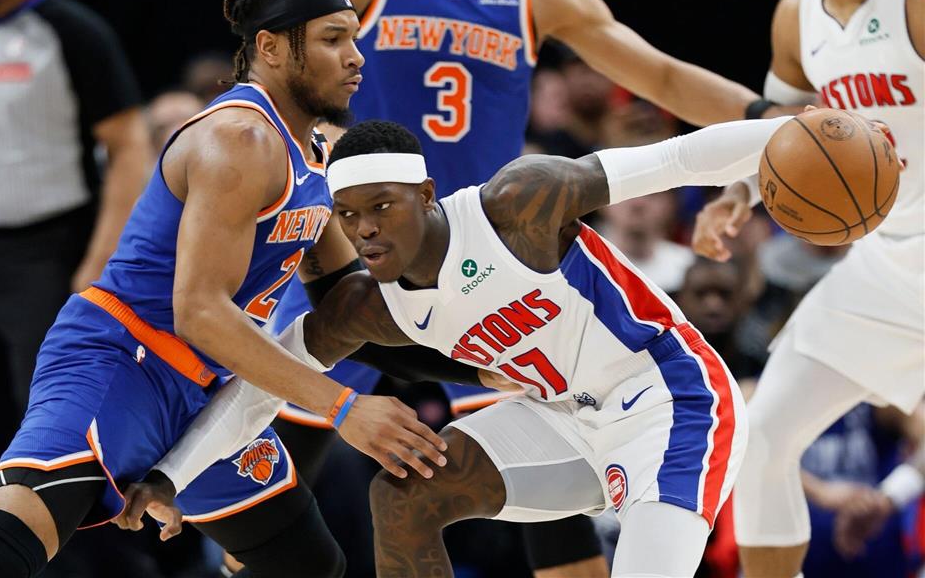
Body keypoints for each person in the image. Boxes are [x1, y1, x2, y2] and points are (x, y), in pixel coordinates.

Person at [122, 113, 896, 577]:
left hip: (673, 401)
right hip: (564, 418)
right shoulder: (371, 308)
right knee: (404, 497)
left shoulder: (518, 204)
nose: (364, 230)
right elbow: (261, 387)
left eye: (382, 207)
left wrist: (795, 134)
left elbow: (679, 159)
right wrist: (170, 475)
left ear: (426, 195)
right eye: (348, 216)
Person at [279, 0, 784, 572]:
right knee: (274, 476)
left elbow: (660, 77)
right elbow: (283, 68)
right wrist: (308, 143)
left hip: (492, 253)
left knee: (551, 525)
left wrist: (774, 119)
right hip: (372, 251)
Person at [0, 0, 482, 578]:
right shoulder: (239, 138)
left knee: (306, 564)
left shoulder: (312, 153)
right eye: (332, 38)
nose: (355, 57)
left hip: (203, 386)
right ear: (271, 48)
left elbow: (351, 308)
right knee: (1, 552)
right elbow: (200, 312)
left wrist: (492, 364)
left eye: (354, 37)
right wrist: (345, 409)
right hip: (123, 363)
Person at [690, 0, 924, 577]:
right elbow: (782, 135)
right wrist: (739, 194)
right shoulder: (796, 12)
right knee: (762, 434)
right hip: (887, 266)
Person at [0, 0, 152, 516]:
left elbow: (129, 146)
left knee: (49, 426)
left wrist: (98, 263)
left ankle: (79, 552)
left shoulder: (73, 32)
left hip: (47, 254)